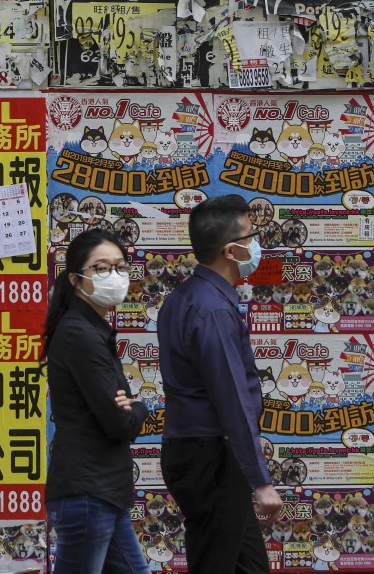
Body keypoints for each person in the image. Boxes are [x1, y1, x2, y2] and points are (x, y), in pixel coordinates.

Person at [157, 194, 282, 572]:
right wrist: (261, 480)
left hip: (203, 454)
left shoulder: (187, 298)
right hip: (210, 457)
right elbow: (232, 398)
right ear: (231, 250)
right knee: (215, 563)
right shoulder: (211, 309)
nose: (257, 243)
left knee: (249, 565)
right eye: (251, 236)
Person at [45, 229, 150, 574]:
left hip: (104, 492)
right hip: (87, 492)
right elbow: (118, 421)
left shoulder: (93, 329)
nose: (115, 276)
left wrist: (129, 405)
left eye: (120, 267)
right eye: (101, 268)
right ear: (76, 280)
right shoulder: (80, 333)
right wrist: (139, 407)